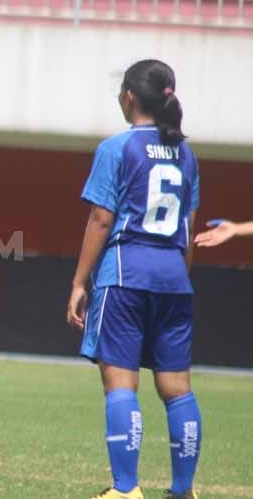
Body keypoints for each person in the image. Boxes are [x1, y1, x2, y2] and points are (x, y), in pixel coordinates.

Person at [66, 60, 202, 499]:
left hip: (125, 273)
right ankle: (183, 491)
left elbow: (101, 220)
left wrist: (79, 282)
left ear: (129, 97)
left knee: (121, 384)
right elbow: (188, 228)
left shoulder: (117, 148)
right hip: (173, 278)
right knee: (177, 388)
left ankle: (125, 490)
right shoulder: (187, 154)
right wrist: (177, 279)